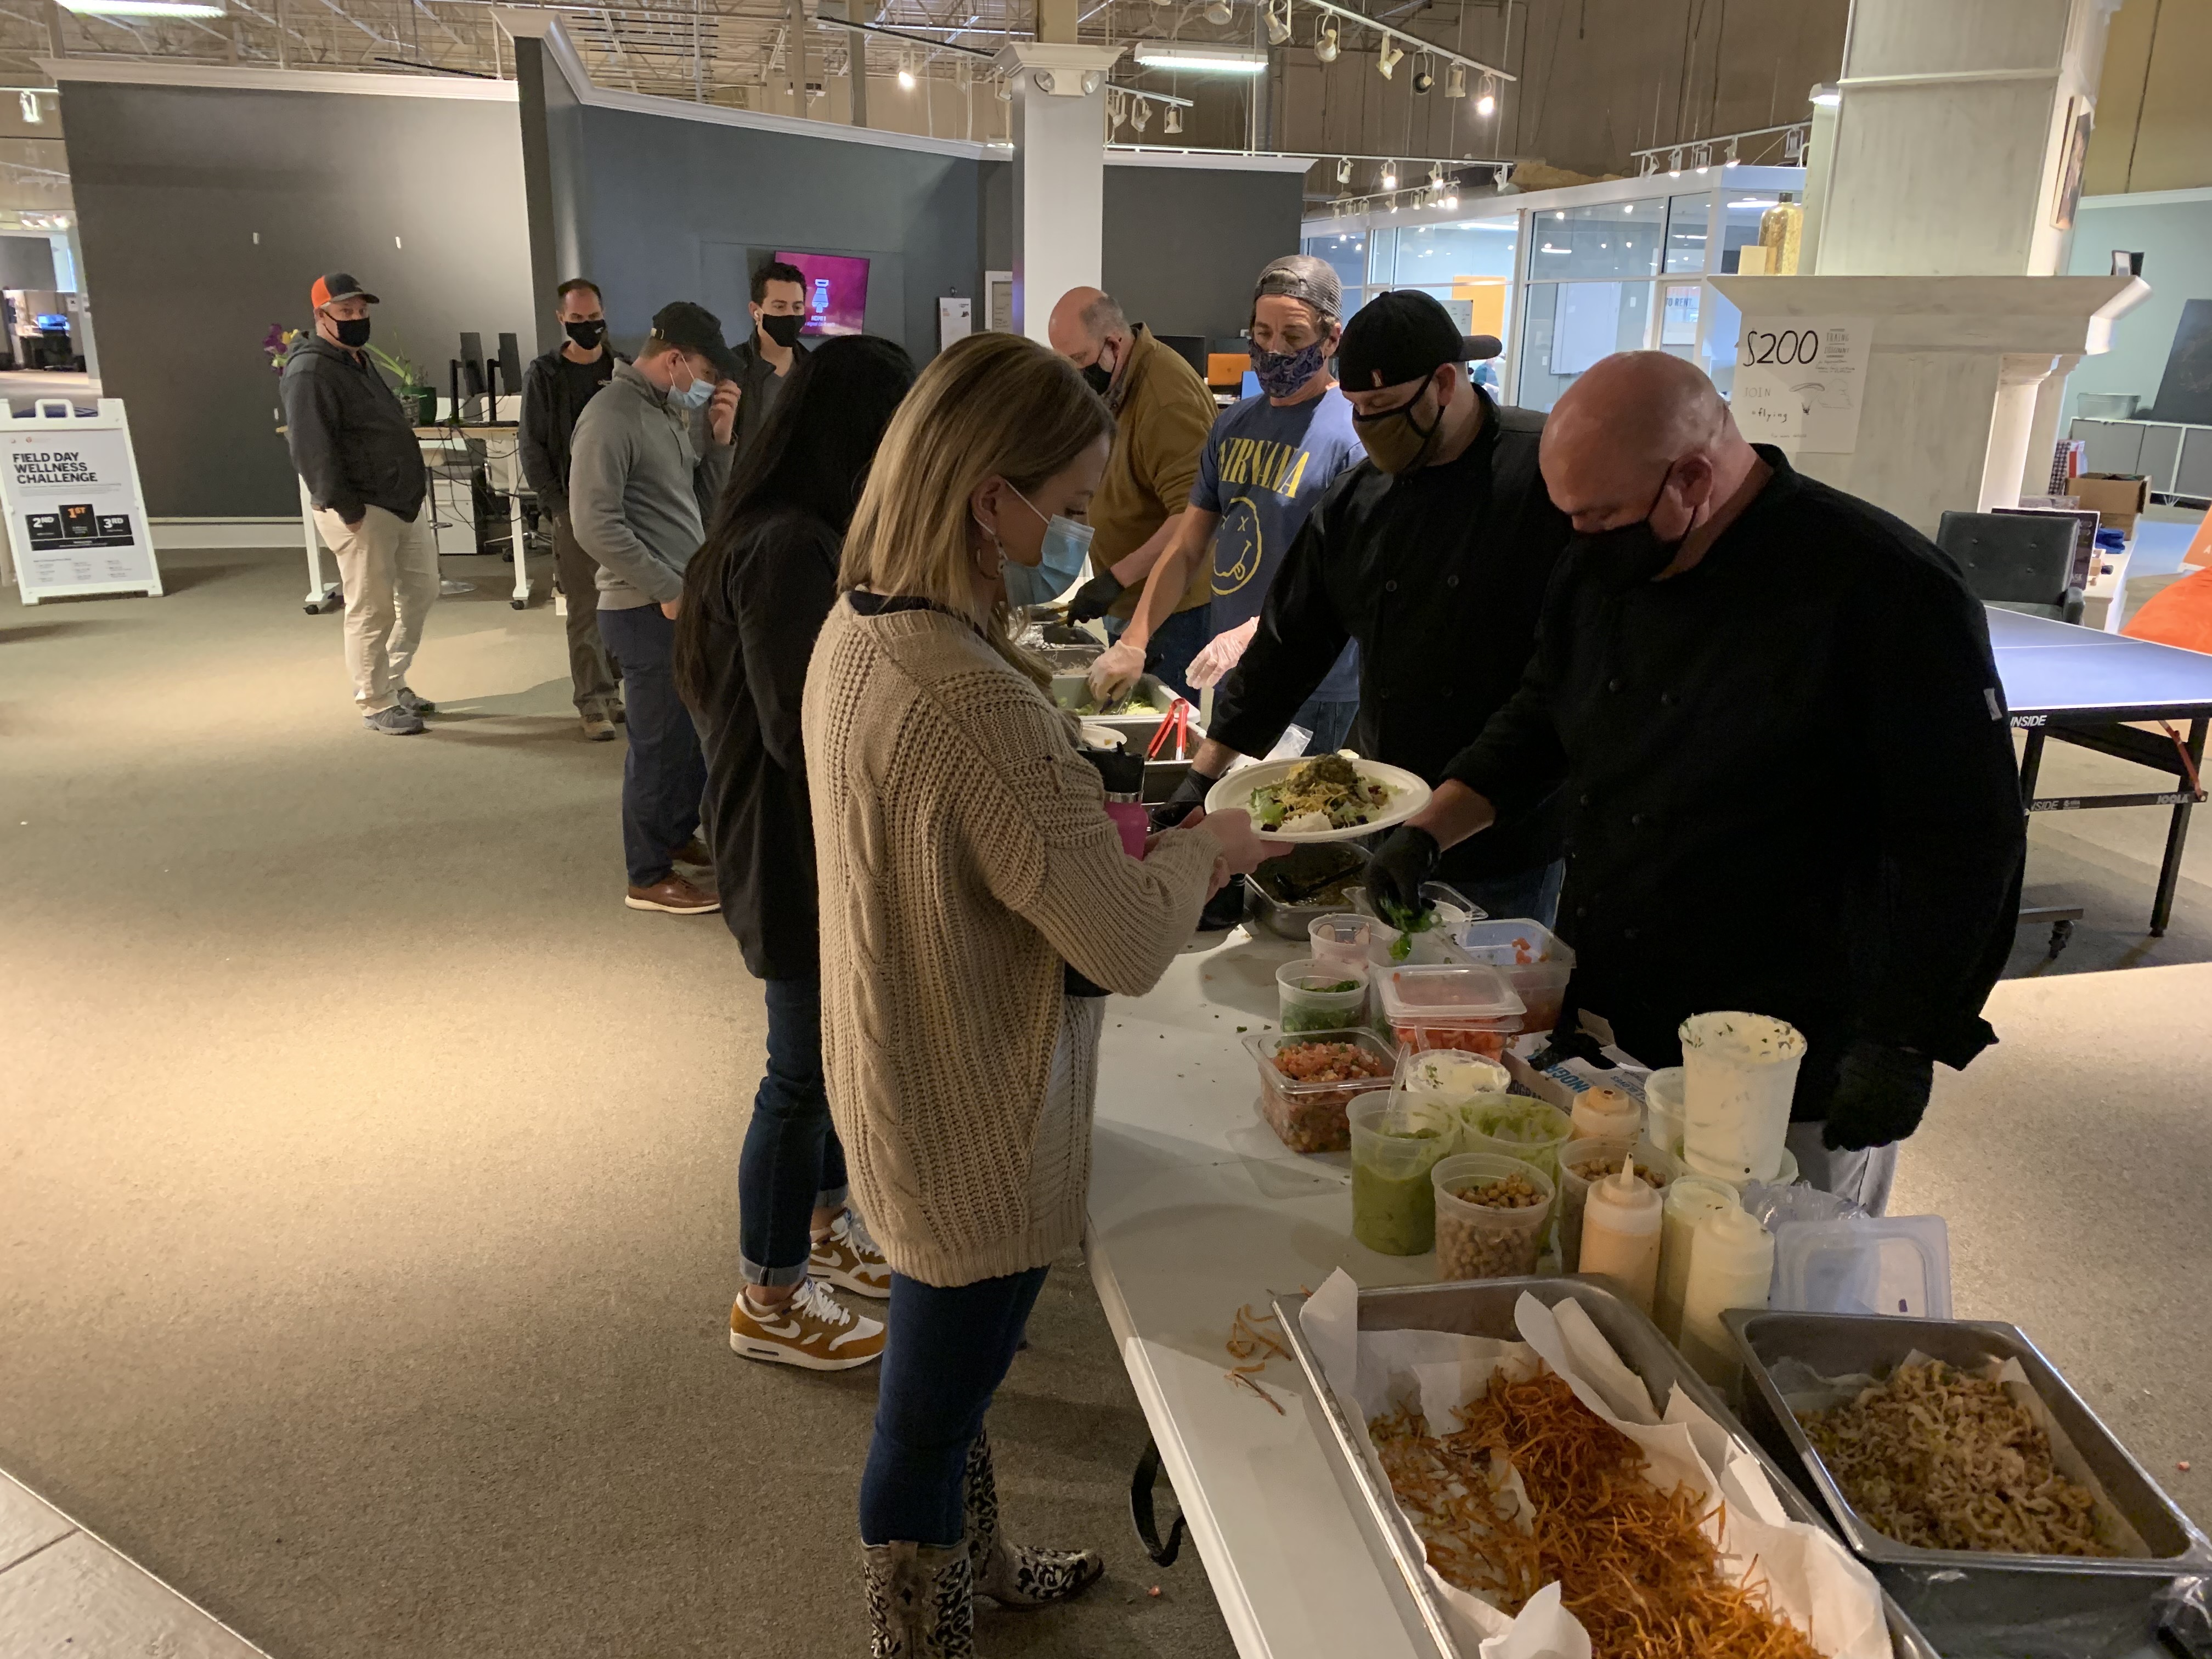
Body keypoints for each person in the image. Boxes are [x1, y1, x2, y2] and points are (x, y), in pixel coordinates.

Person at [801, 330, 1269, 1652]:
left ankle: (978, 1566)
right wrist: (1208, 847)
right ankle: (923, 1631)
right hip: (973, 1107)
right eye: (1060, 505)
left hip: (906, 1064)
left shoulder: (861, 629)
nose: (1071, 532)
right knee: (928, 1411)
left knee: (959, 1387)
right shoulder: (963, 692)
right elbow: (1123, 946)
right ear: (982, 492)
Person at [1376, 351, 2027, 1211]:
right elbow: (1540, 720)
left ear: (1693, 476)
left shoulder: (1884, 588)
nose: (1580, 535)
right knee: (1620, 1243)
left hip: (1788, 1042)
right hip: (1616, 1000)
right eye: (1569, 514)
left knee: (1774, 1269)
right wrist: (1430, 829)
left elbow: (1966, 840)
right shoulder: (1604, 559)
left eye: (1602, 513)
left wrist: (1905, 1037)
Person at [1160, 289, 1573, 925]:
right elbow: (1287, 646)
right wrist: (1203, 777)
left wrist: (1439, 829)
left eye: (1381, 408)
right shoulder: (1358, 500)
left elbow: (1562, 684)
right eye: (1354, 410)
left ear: (1444, 381)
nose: (1366, 428)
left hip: (1509, 832)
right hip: (1389, 803)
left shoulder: (1546, 476)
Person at [674, 336, 916, 1371]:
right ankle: (767, 1291)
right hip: (787, 847)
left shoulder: (790, 531)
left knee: (821, 1060)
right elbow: (801, 726)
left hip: (790, 837)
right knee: (797, 1073)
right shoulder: (786, 548)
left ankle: (822, 1222)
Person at [1089, 255, 1364, 753]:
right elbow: (1188, 546)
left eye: (1294, 337)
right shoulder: (1234, 424)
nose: (1275, 350)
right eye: (1262, 335)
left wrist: (1255, 632)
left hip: (1312, 683)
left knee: (1290, 824)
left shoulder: (1352, 437)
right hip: (1237, 672)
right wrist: (1136, 638)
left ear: (1332, 339)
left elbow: (1346, 583)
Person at [568, 300, 742, 915]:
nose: (709, 386)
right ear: (675, 359)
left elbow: (698, 508)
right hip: (642, 608)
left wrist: (719, 444)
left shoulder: (667, 413)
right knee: (659, 743)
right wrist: (667, 588)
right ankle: (647, 874)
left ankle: (672, 836)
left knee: (691, 739)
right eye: (706, 372)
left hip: (679, 602)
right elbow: (594, 523)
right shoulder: (611, 416)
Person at [281, 272, 439, 736]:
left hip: (400, 502)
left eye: (362, 312)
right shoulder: (310, 371)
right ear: (321, 316)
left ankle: (392, 680)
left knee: (421, 590)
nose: (356, 319)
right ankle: (374, 701)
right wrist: (347, 510)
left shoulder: (357, 359)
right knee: (371, 609)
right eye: (346, 312)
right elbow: (311, 448)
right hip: (361, 510)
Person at [1045, 287, 1217, 700]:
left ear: (1114, 345)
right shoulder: (1120, 384)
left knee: (1160, 732)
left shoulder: (1165, 398)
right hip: (1128, 599)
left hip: (1170, 612)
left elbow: (1192, 518)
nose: (1076, 374)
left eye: (1080, 362)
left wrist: (1116, 578)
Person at [520, 277, 627, 741]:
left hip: (625, 507)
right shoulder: (545, 374)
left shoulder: (622, 368)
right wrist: (556, 506)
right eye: (578, 319)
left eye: (594, 317)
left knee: (625, 604)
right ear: (562, 320)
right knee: (586, 607)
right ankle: (591, 702)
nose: (589, 326)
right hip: (574, 508)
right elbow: (533, 445)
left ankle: (614, 691)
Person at [727, 259, 810, 463]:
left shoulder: (814, 370)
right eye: (780, 307)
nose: (790, 315)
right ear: (756, 311)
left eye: (797, 307)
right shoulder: (731, 369)